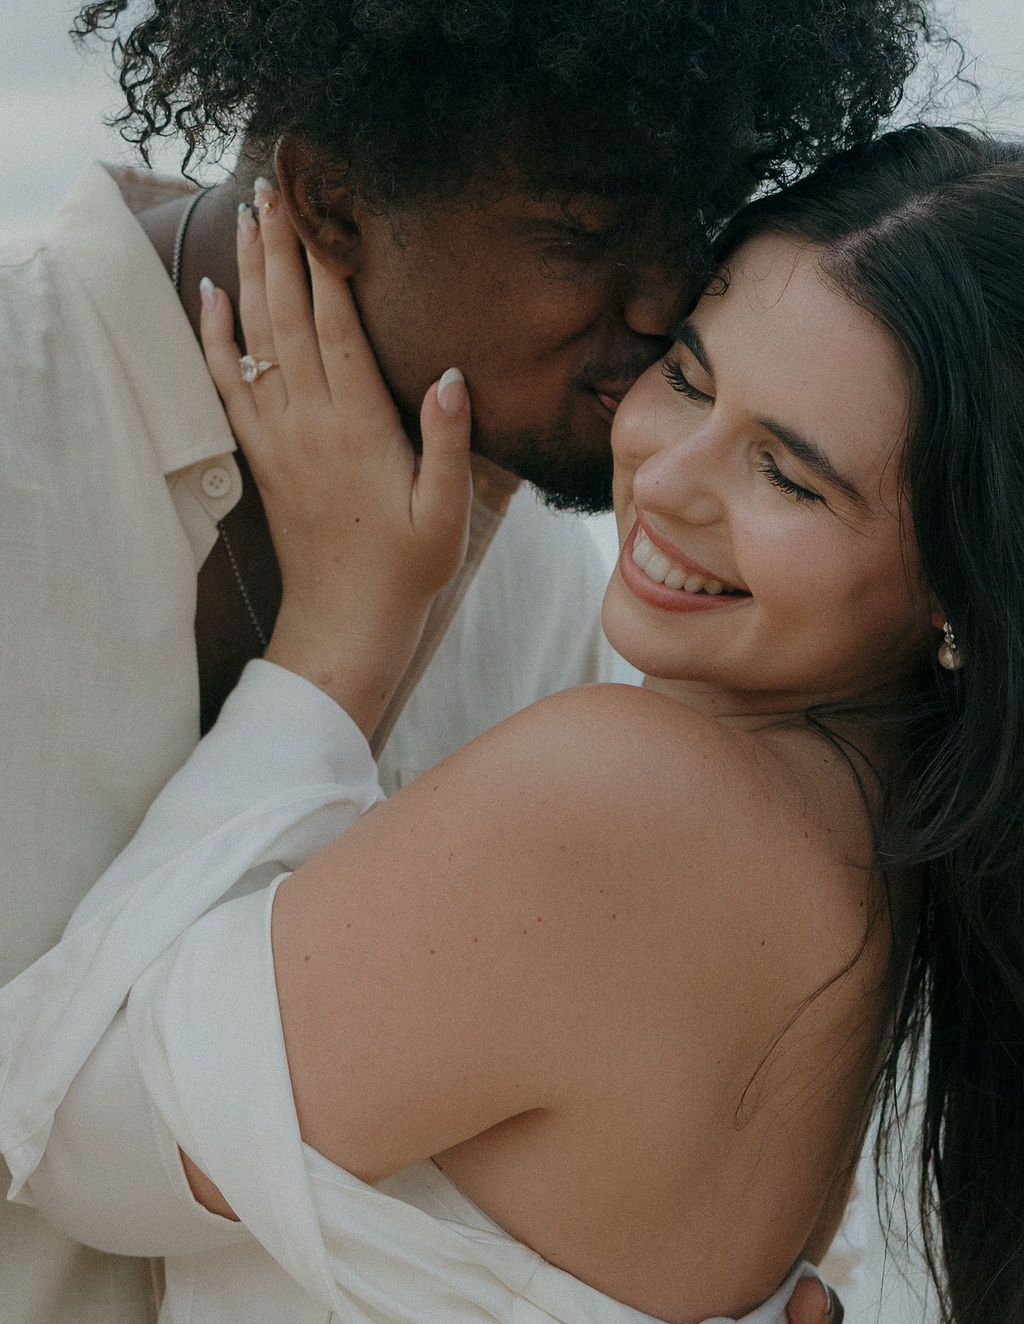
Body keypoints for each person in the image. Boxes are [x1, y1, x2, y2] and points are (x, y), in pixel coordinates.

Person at [0, 1, 939, 1319]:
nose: (666, 298)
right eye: (587, 233)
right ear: (329, 203)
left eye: (701, 219)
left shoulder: (560, 589)